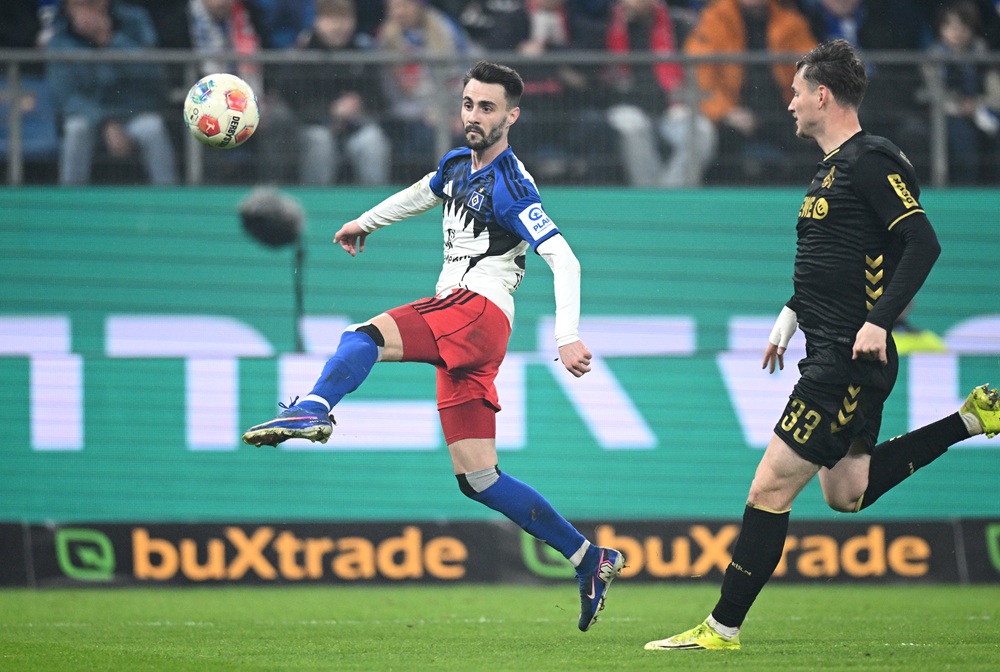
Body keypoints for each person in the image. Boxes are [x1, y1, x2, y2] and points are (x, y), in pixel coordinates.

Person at [241, 60, 626, 631]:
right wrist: (364, 222)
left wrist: (566, 335)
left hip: (476, 309)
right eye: (469, 103)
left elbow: (564, 258)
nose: (474, 115)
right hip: (472, 326)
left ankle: (314, 408)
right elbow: (419, 194)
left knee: (364, 336)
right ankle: (588, 557)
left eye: (488, 107)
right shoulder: (456, 165)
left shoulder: (512, 184)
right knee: (479, 479)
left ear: (512, 117)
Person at [644, 39, 1000, 652]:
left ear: (823, 96)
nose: (789, 103)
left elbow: (923, 242)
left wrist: (879, 321)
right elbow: (833, 263)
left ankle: (721, 629)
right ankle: (970, 419)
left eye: (796, 92)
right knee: (846, 492)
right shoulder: (832, 167)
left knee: (768, 490)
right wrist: (790, 315)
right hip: (833, 347)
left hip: (846, 358)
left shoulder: (870, 161)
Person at [683, 0, 817, 184]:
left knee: (815, 136)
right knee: (724, 140)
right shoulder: (715, 19)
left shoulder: (790, 22)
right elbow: (701, 76)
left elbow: (812, 73)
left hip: (783, 112)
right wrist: (726, 111)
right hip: (735, 112)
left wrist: (807, 110)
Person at [46, 0, 178, 185]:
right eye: (78, 5)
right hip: (89, 116)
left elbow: (152, 73)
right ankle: (70, 196)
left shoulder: (134, 21)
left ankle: (167, 195)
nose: (86, 11)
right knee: (76, 129)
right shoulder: (61, 37)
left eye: (91, 4)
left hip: (133, 113)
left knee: (152, 128)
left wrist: (110, 39)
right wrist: (106, 122)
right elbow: (67, 97)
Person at [271, 0, 391, 185]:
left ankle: (378, 203)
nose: (338, 26)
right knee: (320, 141)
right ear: (317, 21)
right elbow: (292, 103)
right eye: (330, 18)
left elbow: (381, 100)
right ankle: (315, 200)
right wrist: (330, 110)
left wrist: (360, 105)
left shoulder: (363, 54)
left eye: (344, 18)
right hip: (311, 128)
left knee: (372, 140)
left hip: (354, 129)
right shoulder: (302, 54)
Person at [602, 0, 717, 187]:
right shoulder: (606, 23)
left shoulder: (677, 23)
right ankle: (648, 193)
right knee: (632, 125)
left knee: (701, 130)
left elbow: (695, 65)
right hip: (626, 105)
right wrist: (626, 24)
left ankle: (671, 193)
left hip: (670, 106)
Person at [921, 0, 1000, 185]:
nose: (957, 32)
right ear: (941, 28)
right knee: (964, 139)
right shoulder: (933, 58)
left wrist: (978, 106)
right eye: (950, 26)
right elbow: (935, 93)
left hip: (982, 111)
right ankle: (965, 188)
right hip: (948, 115)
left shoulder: (983, 55)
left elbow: (995, 93)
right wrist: (960, 106)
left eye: (963, 26)